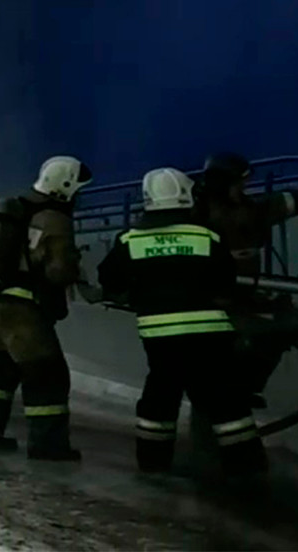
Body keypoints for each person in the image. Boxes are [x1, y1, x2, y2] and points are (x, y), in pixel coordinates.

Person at [97, 167, 268, 477]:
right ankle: (246, 466)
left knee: (161, 396)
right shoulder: (206, 235)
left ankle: (153, 464)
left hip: (161, 336)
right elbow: (227, 282)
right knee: (224, 399)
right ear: (186, 196)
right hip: (210, 334)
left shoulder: (130, 240)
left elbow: (109, 279)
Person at [0, 155, 92, 460]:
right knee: (47, 375)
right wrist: (75, 265)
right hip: (26, 315)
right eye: (77, 189)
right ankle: (48, 446)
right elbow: (58, 271)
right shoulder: (55, 220)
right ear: (64, 187)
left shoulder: (13, 210)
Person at [195, 152, 298, 408]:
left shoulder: (245, 208)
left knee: (290, 326)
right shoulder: (198, 216)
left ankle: (247, 387)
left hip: (245, 294)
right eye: (238, 182)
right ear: (222, 183)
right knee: (248, 338)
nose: (244, 187)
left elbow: (270, 207)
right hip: (214, 302)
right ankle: (232, 392)